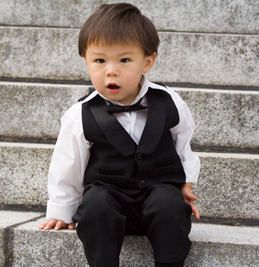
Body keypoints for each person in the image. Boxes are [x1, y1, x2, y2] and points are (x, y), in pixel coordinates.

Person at [38, 3, 200, 267]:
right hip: (109, 196)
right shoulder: (80, 113)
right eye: (100, 60)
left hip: (158, 191)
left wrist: (186, 182)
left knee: (170, 205)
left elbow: (183, 144)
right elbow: (67, 164)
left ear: (147, 61)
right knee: (95, 206)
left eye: (124, 60)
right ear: (86, 61)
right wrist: (61, 210)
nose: (111, 70)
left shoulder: (169, 100)